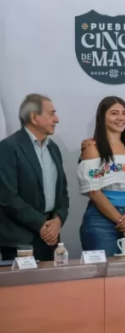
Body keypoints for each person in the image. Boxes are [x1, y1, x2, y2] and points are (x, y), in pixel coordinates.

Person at [0, 94, 69, 261]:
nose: (56, 119)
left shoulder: (53, 149)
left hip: (50, 238)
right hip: (20, 240)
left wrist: (57, 221)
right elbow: (7, 197)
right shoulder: (8, 147)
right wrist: (42, 224)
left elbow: (62, 193)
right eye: (51, 114)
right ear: (34, 117)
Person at [78, 96, 125, 256]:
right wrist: (120, 220)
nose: (121, 118)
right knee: (103, 268)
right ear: (102, 117)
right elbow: (93, 191)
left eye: (124, 113)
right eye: (114, 113)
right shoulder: (92, 148)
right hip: (101, 220)